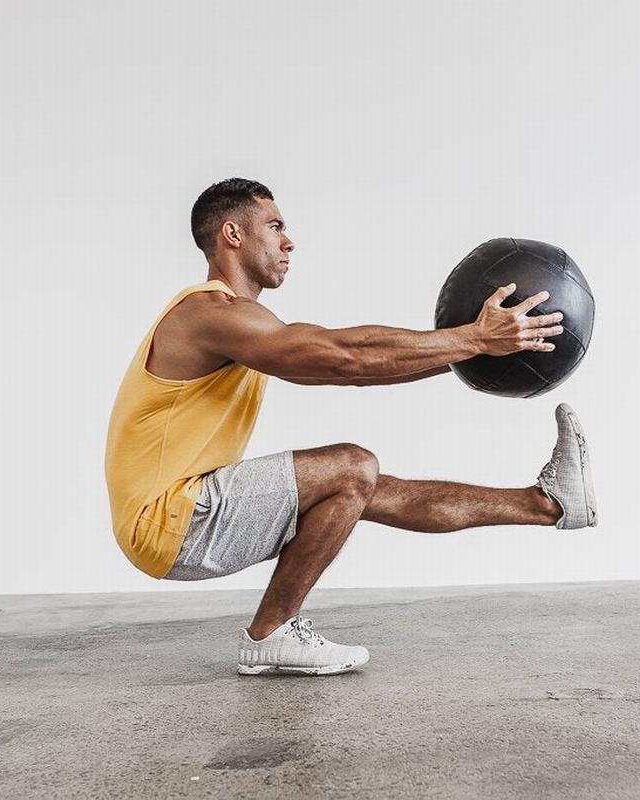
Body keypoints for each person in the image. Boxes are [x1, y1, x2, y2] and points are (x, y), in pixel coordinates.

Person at [104, 178, 597, 677]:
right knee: (352, 467)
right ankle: (271, 633)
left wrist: (477, 348)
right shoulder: (208, 314)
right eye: (274, 226)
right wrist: (471, 339)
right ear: (232, 234)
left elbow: (355, 370)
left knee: (370, 489)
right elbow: (346, 359)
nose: (288, 240)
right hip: (169, 519)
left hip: (178, 520)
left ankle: (549, 504)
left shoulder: (238, 322)